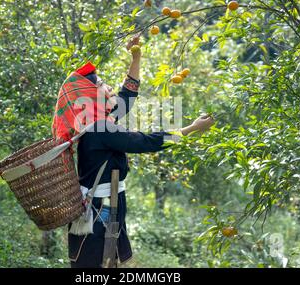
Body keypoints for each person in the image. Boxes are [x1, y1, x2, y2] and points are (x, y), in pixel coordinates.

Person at [51, 34, 215, 268]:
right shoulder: (100, 127)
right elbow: (145, 142)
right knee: (99, 262)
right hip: (101, 208)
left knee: (104, 259)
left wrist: (136, 56)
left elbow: (126, 97)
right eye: (101, 85)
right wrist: (192, 129)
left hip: (105, 203)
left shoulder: (94, 119)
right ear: (92, 95)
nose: (108, 87)